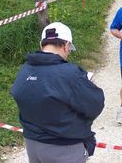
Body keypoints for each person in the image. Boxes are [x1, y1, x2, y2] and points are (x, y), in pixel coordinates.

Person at [11, 22, 105, 163]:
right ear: (66, 45)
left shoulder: (25, 70)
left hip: (32, 144)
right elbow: (95, 104)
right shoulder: (69, 73)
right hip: (64, 148)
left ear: (42, 44)